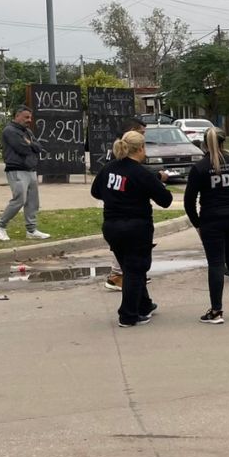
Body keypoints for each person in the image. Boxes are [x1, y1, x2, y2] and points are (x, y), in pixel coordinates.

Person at [90, 131, 173, 328]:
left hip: (112, 226)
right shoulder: (141, 173)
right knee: (135, 270)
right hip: (136, 228)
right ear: (141, 148)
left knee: (131, 268)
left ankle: (144, 305)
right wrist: (160, 181)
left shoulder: (109, 168)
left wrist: (114, 196)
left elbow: (95, 191)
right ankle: (128, 315)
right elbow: (166, 200)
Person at [185, 127, 229, 325]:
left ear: (205, 144)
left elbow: (189, 201)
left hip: (211, 219)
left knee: (216, 264)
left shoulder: (199, 167)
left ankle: (216, 311)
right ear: (224, 142)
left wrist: (197, 224)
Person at [0, 106, 51, 242]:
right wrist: (31, 145)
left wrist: (31, 144)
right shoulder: (10, 131)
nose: (29, 120)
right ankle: (0, 225)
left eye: (30, 117)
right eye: (26, 117)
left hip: (30, 169)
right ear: (17, 116)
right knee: (19, 200)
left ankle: (31, 230)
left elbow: (39, 147)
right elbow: (22, 148)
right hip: (16, 169)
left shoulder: (27, 131)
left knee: (32, 201)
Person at [105, 118, 148, 292]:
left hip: (114, 217)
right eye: (142, 134)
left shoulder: (115, 167)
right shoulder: (127, 167)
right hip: (126, 218)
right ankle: (117, 275)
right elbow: (165, 199)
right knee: (126, 251)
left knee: (124, 250)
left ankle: (140, 300)